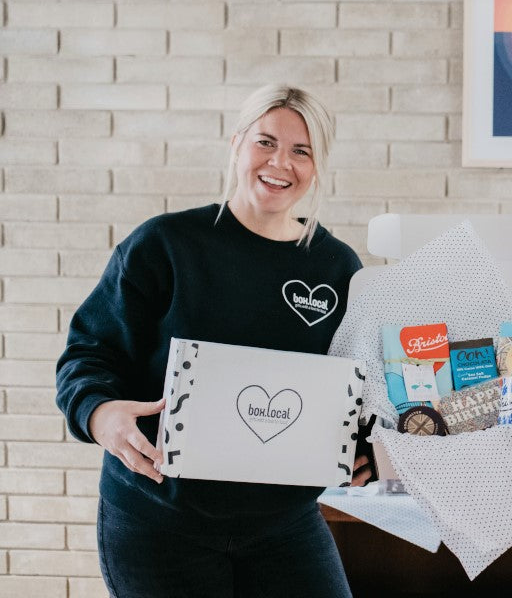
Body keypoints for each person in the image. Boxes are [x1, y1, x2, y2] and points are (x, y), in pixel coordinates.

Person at [56, 84, 367, 598]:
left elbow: (359, 389)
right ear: (237, 143)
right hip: (158, 519)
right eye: (265, 142)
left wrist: (368, 451)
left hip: (284, 525)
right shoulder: (165, 245)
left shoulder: (337, 267)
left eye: (301, 150)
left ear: (318, 165)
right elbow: (89, 351)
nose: (280, 163)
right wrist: (100, 413)